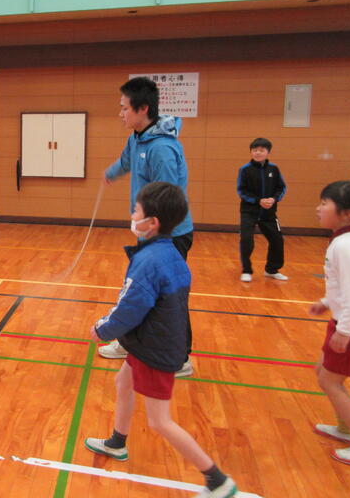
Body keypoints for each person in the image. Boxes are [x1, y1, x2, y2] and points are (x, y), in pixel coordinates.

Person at [85, 182, 238, 498]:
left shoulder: (150, 261)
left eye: (136, 211)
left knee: (160, 421)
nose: (132, 216)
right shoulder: (169, 253)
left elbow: (130, 307)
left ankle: (217, 480)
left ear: (151, 222)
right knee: (123, 383)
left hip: (154, 348)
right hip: (150, 341)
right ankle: (117, 442)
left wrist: (102, 329)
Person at [100, 76, 194, 378]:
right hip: (148, 231)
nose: (121, 114)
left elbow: (168, 198)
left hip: (169, 235)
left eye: (124, 108)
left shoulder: (162, 149)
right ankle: (131, 343)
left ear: (142, 109)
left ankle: (180, 359)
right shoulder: (137, 138)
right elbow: (127, 161)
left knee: (169, 299)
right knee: (139, 290)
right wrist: (112, 173)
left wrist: (152, 230)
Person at [309, 180, 350, 466]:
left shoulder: (346, 246)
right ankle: (345, 427)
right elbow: (342, 285)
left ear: (347, 214)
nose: (318, 208)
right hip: (344, 320)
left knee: (329, 380)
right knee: (323, 372)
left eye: (324, 203)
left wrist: (344, 331)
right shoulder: (341, 241)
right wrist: (326, 301)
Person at [237, 138, 287, 282]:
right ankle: (246, 270)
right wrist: (258, 200)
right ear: (251, 152)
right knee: (246, 240)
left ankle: (271, 270)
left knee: (277, 240)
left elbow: (281, 188)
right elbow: (241, 191)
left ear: (268, 152)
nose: (258, 153)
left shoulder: (274, 169)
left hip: (269, 213)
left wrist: (273, 199)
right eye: (255, 150)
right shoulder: (245, 169)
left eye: (261, 150)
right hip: (249, 212)